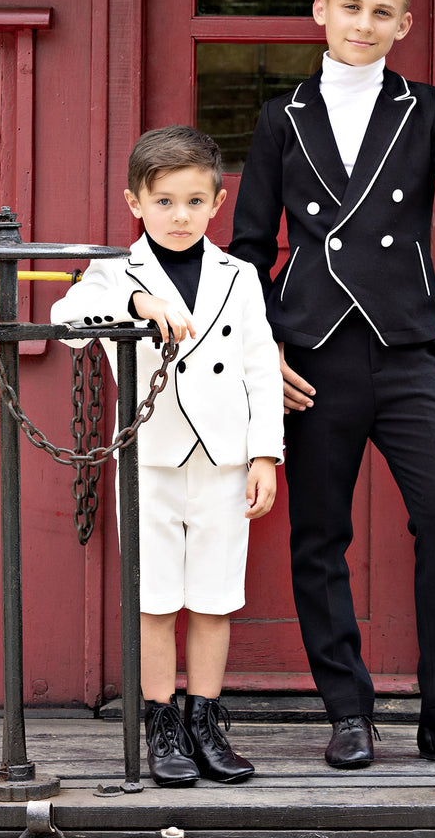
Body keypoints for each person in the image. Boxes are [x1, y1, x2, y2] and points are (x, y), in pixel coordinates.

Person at [229, 0, 435, 771]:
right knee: (318, 536)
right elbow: (250, 250)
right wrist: (267, 355)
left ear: (402, 25)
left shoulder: (428, 108)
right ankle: (348, 711)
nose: (363, 23)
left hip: (406, 350)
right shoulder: (280, 118)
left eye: (381, 12)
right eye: (350, 7)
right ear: (320, 13)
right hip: (313, 359)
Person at [52, 125, 284, 786]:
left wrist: (265, 455)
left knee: (213, 599)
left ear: (217, 203)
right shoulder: (111, 272)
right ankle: (162, 723)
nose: (178, 216)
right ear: (135, 202)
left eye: (193, 201)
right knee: (155, 599)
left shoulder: (237, 274)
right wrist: (135, 299)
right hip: (148, 462)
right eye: (163, 202)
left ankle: (205, 722)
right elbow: (69, 322)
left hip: (225, 461)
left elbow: (260, 369)